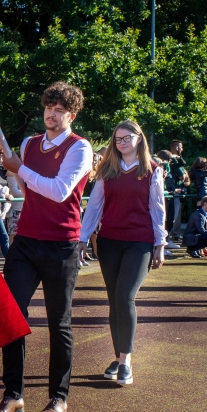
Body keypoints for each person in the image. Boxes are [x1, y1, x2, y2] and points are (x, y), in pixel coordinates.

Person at [0, 82, 94, 412]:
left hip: (62, 245)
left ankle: (58, 397)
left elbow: (60, 191)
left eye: (60, 109)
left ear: (71, 115)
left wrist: (19, 169)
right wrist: (20, 172)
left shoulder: (80, 148)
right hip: (26, 242)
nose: (52, 113)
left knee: (58, 323)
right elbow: (24, 188)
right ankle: (13, 395)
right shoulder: (29, 144)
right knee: (11, 317)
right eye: (49, 107)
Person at [78, 120, 166, 387]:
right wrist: (83, 238)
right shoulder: (107, 169)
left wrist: (160, 243)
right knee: (114, 300)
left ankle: (125, 361)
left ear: (139, 138)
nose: (122, 143)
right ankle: (119, 356)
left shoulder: (153, 170)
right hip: (109, 242)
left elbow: (158, 208)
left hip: (140, 242)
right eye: (118, 139)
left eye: (127, 138)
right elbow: (94, 206)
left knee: (125, 296)